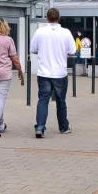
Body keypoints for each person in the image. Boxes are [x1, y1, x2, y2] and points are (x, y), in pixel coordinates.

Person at [30, 7, 76, 138]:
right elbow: (72, 51)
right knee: (61, 100)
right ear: (59, 18)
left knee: (43, 100)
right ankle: (63, 127)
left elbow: (33, 49)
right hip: (60, 73)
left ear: (47, 18)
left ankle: (40, 127)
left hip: (44, 72)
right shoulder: (66, 32)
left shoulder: (40, 32)